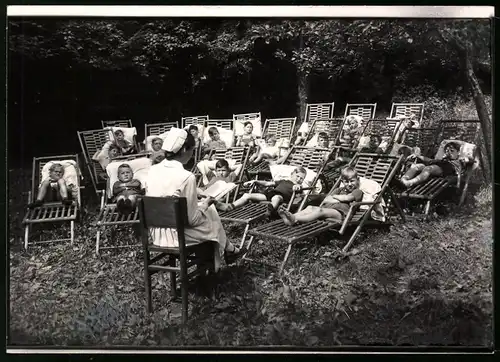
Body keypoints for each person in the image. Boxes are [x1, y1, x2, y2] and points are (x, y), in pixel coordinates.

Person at [145, 128, 243, 270]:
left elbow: (163, 195)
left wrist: (197, 197)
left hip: (157, 234)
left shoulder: (153, 170)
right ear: (184, 149)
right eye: (192, 150)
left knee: (209, 213)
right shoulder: (186, 177)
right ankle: (216, 268)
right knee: (212, 219)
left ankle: (230, 251)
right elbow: (192, 220)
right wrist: (207, 203)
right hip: (177, 237)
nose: (192, 154)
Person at [277, 166, 363, 225]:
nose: (349, 184)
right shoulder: (338, 190)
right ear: (342, 182)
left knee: (320, 211)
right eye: (346, 182)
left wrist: (336, 197)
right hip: (329, 209)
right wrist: (339, 199)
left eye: (352, 181)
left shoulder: (357, 191)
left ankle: (295, 219)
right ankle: (290, 217)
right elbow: (326, 199)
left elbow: (348, 198)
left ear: (357, 180)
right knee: (310, 207)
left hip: (341, 213)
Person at [217, 166, 307, 217]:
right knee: (246, 195)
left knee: (277, 198)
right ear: (292, 174)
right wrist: (255, 181)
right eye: (297, 176)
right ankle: (230, 206)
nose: (299, 179)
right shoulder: (283, 181)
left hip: (282, 197)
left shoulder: (298, 186)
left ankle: (268, 212)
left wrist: (297, 187)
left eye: (301, 178)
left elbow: (299, 191)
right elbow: (268, 183)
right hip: (270, 194)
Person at [397, 141, 466, 189]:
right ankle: (403, 180)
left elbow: (469, 160)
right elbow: (430, 160)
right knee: (417, 166)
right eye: (447, 151)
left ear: (458, 152)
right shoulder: (443, 159)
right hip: (438, 166)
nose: (449, 153)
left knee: (428, 169)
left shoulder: (459, 160)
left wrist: (466, 159)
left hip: (447, 169)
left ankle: (409, 183)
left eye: (452, 151)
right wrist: (417, 156)